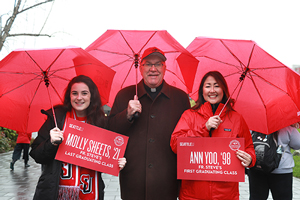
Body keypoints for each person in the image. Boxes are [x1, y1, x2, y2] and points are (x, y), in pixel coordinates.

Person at [108, 47, 190, 200]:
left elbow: (187, 138)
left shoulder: (180, 98)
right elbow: (111, 132)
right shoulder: (124, 95)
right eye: (148, 64)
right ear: (140, 68)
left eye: (158, 64)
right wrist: (127, 114)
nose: (153, 69)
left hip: (167, 183)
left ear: (165, 68)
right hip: (133, 182)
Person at [29, 75, 126, 200]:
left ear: (92, 96)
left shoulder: (101, 122)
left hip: (91, 193)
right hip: (57, 193)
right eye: (74, 93)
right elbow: (37, 155)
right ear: (69, 96)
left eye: (84, 93)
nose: (79, 98)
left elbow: (105, 159)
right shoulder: (57, 118)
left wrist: (117, 162)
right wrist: (51, 143)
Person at [170, 71, 256, 200]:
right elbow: (176, 145)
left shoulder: (237, 118)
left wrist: (250, 159)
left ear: (223, 89)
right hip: (192, 195)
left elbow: (249, 147)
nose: (212, 90)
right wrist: (204, 128)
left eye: (216, 85)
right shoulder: (189, 115)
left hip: (226, 195)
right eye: (208, 86)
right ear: (202, 90)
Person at [248, 123, 300, 200]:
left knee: (256, 197)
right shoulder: (287, 128)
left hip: (257, 166)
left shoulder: (252, 127)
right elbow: (297, 144)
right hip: (281, 169)